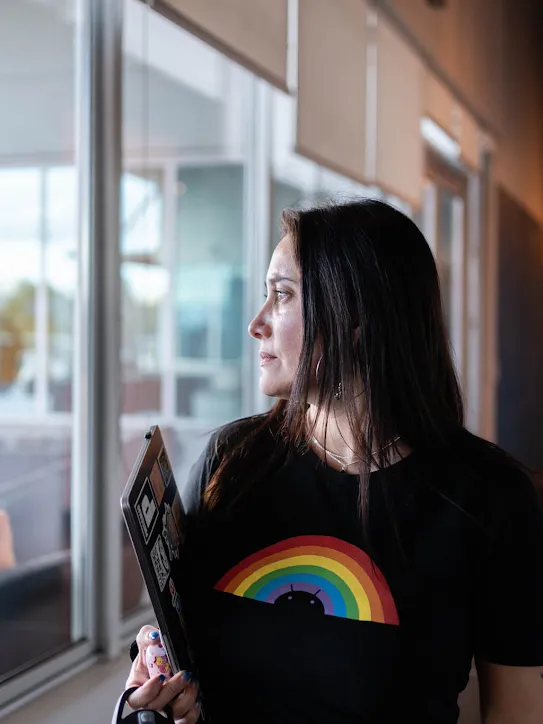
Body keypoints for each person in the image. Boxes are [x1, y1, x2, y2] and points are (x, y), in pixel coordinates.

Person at [126, 199, 543, 723]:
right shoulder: (229, 464)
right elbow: (173, 655)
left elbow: (518, 709)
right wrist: (157, 688)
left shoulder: (488, 497)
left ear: (357, 318)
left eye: (282, 296)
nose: (256, 324)